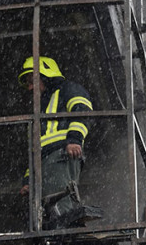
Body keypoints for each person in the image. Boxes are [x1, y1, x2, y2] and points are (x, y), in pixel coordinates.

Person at [18, 56, 100, 228]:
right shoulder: (39, 110)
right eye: (27, 83)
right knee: (49, 210)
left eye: (32, 80)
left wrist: (75, 140)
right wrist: (28, 180)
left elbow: (82, 112)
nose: (30, 87)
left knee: (62, 204)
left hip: (61, 155)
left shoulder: (67, 89)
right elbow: (34, 151)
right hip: (45, 162)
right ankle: (64, 237)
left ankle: (70, 237)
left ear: (46, 74)